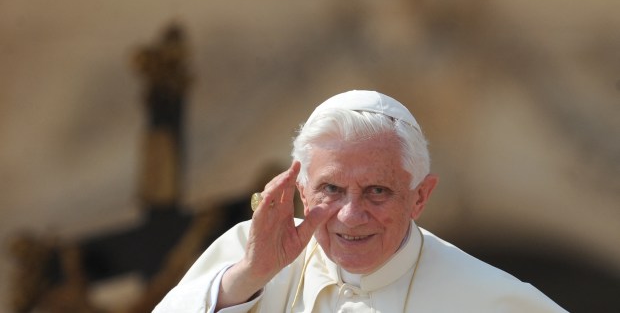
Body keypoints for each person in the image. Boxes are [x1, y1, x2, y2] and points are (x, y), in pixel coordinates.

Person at [154, 90, 566, 312]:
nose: (351, 215)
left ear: (420, 197)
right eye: (331, 190)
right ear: (302, 192)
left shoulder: (489, 298)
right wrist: (247, 278)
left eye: (378, 191)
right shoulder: (247, 254)